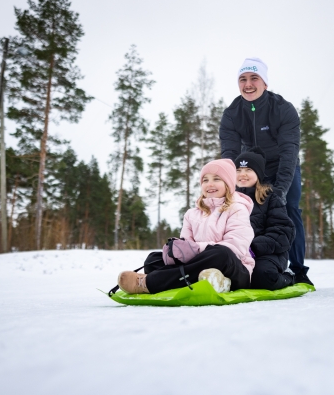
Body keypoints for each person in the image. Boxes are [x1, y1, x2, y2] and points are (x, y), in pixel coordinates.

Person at [219, 57, 313, 286]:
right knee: (244, 212)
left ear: (265, 83)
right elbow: (229, 155)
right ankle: (247, 263)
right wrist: (230, 186)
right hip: (251, 168)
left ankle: (298, 269)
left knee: (288, 209)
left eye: (254, 78)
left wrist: (280, 190)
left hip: (283, 165)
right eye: (243, 79)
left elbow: (289, 152)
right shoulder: (232, 114)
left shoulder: (283, 109)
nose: (248, 84)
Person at [117, 159, 255, 294]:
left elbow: (235, 247)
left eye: (216, 179)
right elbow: (187, 246)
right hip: (199, 264)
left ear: (228, 184)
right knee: (153, 260)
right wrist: (176, 250)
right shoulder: (192, 214)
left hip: (235, 268)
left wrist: (197, 248)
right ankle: (215, 280)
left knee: (221, 254)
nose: (210, 184)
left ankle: (150, 283)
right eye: (205, 180)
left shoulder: (237, 209)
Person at [235, 147, 296, 290]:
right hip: (238, 253)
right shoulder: (228, 200)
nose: (242, 174)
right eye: (238, 170)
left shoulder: (271, 198)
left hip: (268, 254)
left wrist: (254, 247)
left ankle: (289, 277)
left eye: (248, 170)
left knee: (261, 276)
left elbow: (283, 232)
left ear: (258, 173)